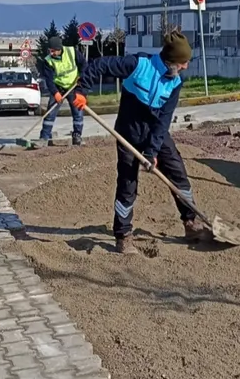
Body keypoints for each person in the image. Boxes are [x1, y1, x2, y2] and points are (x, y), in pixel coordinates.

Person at [76, 32, 207, 254]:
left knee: (178, 174)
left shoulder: (175, 81)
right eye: (183, 62)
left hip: (156, 131)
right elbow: (99, 65)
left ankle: (190, 222)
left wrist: (152, 151)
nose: (185, 67)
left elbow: (164, 119)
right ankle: (123, 235)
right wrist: (82, 89)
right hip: (128, 132)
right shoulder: (138, 65)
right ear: (171, 61)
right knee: (128, 184)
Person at [38, 37, 87, 146]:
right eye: (50, 50)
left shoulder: (72, 52)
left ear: (59, 49)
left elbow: (84, 64)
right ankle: (44, 138)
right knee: (50, 114)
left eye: (53, 50)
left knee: (78, 112)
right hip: (58, 86)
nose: (51, 53)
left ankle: (77, 136)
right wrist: (55, 93)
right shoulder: (48, 60)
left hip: (73, 86)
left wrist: (81, 77)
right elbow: (49, 79)